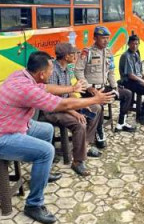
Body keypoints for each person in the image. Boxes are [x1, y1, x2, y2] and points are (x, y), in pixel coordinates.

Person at [0, 51, 114, 224]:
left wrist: (71, 89)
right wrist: (95, 100)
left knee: (46, 130)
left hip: (12, 126)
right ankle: (33, 204)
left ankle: (43, 172)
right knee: (46, 151)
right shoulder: (26, 89)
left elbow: (47, 88)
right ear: (41, 74)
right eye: (50, 71)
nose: (51, 74)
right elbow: (63, 104)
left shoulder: (22, 75)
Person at [41, 42, 103, 177]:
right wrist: (74, 111)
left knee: (96, 108)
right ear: (66, 56)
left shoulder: (67, 68)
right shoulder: (53, 71)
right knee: (79, 123)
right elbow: (54, 99)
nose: (76, 55)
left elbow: (69, 92)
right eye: (73, 53)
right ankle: (78, 161)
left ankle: (84, 145)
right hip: (54, 109)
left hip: (66, 104)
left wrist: (81, 103)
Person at [76, 26, 135, 133]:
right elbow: (78, 71)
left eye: (107, 38)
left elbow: (111, 71)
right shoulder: (87, 52)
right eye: (103, 38)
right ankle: (99, 131)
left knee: (127, 94)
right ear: (95, 38)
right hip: (91, 90)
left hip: (103, 88)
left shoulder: (108, 52)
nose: (106, 40)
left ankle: (121, 122)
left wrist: (114, 87)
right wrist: (88, 87)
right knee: (99, 106)